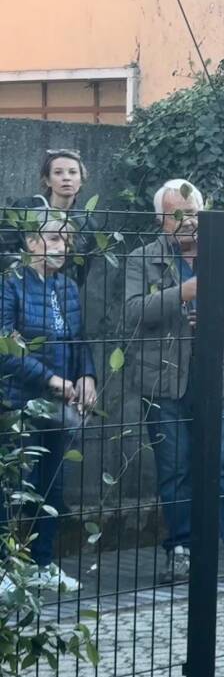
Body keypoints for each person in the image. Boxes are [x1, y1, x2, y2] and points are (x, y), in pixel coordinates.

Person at [125, 179, 224, 586]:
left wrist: (221, 317)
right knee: (174, 469)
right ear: (161, 220)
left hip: (217, 379)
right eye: (178, 215)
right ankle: (181, 550)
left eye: (193, 213)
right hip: (164, 383)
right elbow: (133, 314)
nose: (188, 222)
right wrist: (183, 292)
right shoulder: (143, 259)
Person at [0, 214, 96, 591]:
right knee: (13, 485)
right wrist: (50, 378)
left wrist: (88, 374)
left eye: (65, 240)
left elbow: (79, 339)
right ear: (30, 242)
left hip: (60, 404)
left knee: (51, 485)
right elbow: (5, 346)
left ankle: (42, 563)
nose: (61, 246)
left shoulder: (68, 287)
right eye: (53, 238)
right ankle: (6, 569)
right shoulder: (10, 284)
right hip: (19, 400)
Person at [1, 149, 100, 285]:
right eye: (58, 172)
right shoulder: (25, 208)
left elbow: (81, 273)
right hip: (20, 286)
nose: (66, 178)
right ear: (47, 180)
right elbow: (4, 249)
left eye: (73, 172)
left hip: (61, 291)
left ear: (81, 180)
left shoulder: (87, 223)